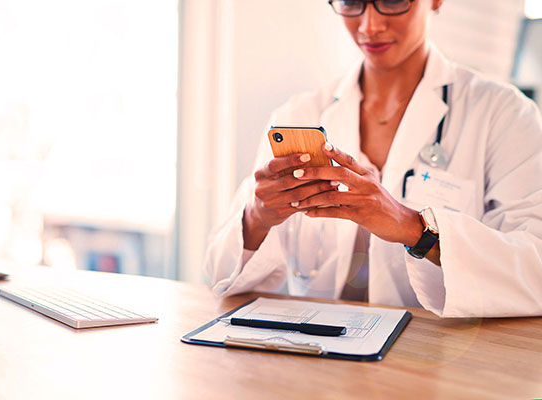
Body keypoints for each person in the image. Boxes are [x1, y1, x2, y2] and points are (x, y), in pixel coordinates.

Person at [204, 0, 542, 317]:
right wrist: (258, 218)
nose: (370, 25)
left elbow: (535, 268)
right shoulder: (301, 113)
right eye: (352, 1)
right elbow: (218, 276)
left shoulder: (504, 116)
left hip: (436, 364)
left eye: (392, 0)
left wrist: (414, 228)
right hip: (315, 356)